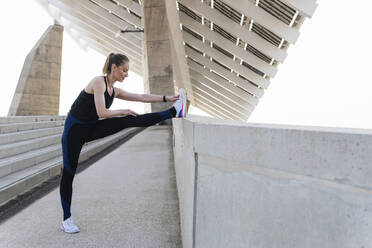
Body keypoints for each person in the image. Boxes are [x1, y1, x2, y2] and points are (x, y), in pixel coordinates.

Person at [60, 53, 186, 233]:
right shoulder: (98, 82)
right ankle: (66, 219)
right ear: (114, 68)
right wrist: (122, 110)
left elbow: (141, 97)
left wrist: (167, 98)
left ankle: (174, 111)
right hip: (74, 133)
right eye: (125, 70)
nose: (127, 74)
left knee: (129, 120)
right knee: (69, 174)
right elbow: (102, 112)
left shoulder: (114, 90)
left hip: (92, 128)